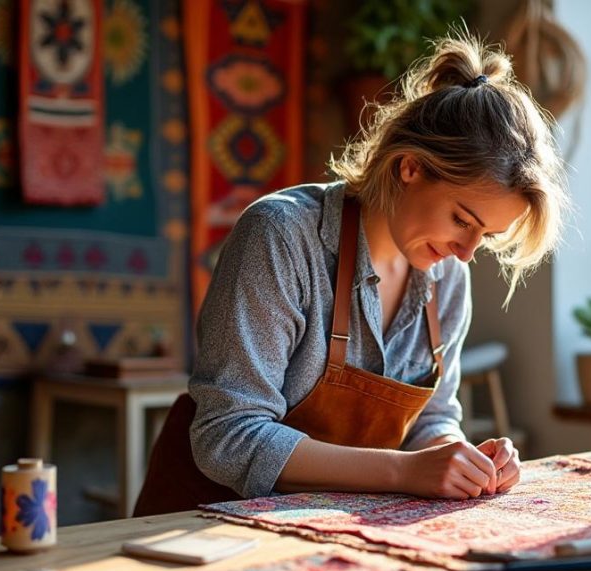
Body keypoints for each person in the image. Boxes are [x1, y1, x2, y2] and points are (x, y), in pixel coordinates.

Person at [187, 34, 568, 502]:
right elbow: (228, 435)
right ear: (410, 167)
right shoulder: (282, 236)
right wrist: (404, 472)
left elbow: (432, 419)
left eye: (485, 236)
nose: (468, 252)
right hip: (211, 527)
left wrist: (459, 457)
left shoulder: (446, 275)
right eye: (462, 220)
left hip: (344, 526)